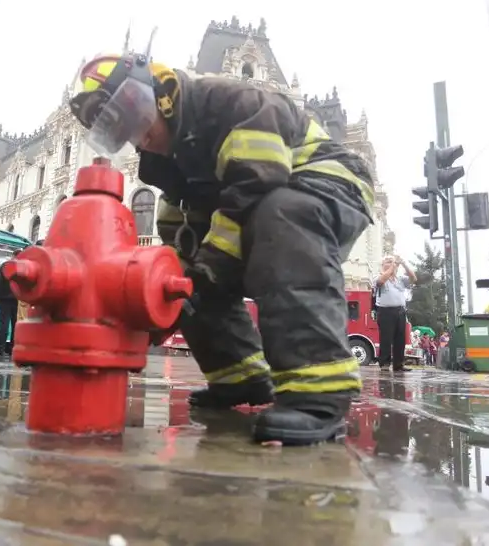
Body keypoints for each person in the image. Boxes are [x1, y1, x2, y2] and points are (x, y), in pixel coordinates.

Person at [69, 51, 375, 446]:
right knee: (185, 276)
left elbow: (256, 182)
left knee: (280, 215)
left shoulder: (228, 103)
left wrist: (211, 266)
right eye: (123, 129)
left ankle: (318, 396)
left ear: (163, 94)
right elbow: (179, 234)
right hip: (265, 202)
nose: (137, 134)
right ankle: (240, 378)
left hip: (328, 185)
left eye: (136, 115)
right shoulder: (171, 159)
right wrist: (162, 292)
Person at [373, 255, 416, 373]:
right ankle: (385, 364)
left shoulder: (400, 279)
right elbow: (381, 281)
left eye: (392, 262)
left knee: (400, 339)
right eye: (388, 262)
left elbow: (413, 278)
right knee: (386, 338)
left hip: (400, 311)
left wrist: (403, 263)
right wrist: (394, 265)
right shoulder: (378, 276)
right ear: (382, 265)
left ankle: (398, 365)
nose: (392, 264)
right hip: (385, 311)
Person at [0, 248, 21, 355]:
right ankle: (12, 348)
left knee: (4, 324)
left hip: (4, 299)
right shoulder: (21, 267)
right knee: (15, 324)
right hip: (16, 299)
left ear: (13, 255)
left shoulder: (5, 265)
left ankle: (0, 349)